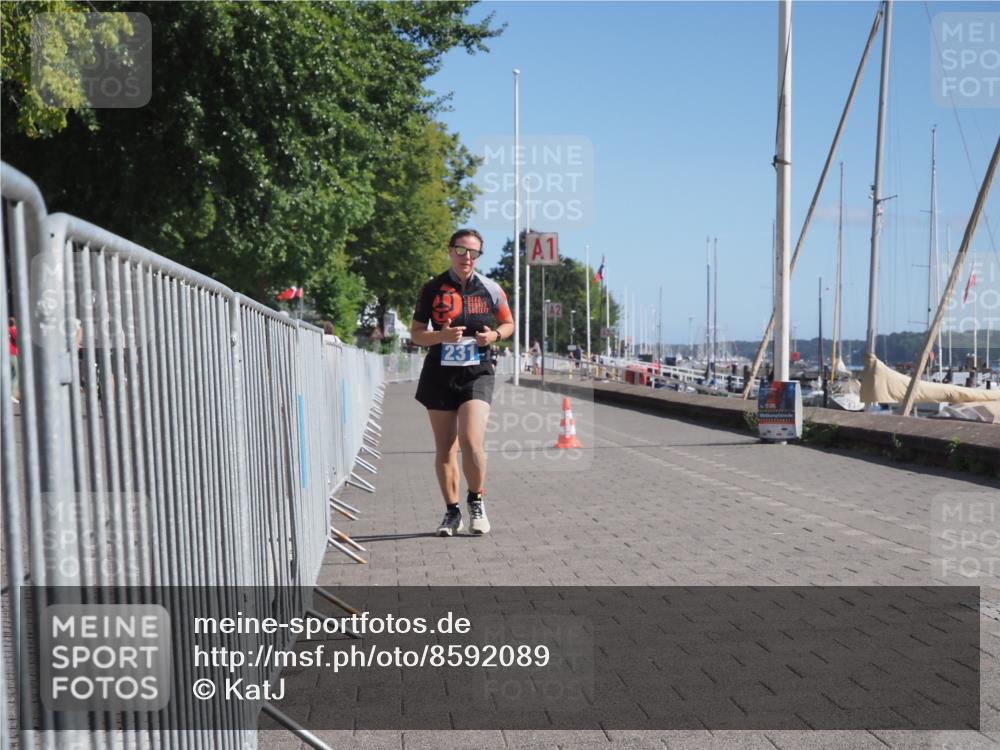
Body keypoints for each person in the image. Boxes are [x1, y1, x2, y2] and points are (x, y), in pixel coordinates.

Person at [410, 229, 515, 537]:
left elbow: (508, 323)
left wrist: (494, 335)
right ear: (450, 250)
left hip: (477, 371)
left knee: (471, 440)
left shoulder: (491, 289)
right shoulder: (431, 288)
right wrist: (440, 336)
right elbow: (416, 334)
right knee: (445, 447)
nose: (467, 257)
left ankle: (476, 501)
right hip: (439, 372)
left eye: (473, 252)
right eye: (461, 250)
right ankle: (451, 511)